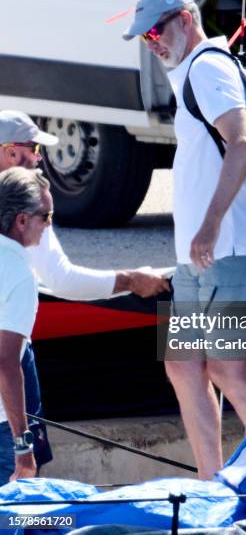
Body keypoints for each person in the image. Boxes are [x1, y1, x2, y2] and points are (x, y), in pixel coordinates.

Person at [123, 0, 246, 479]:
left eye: (156, 31)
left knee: (229, 370)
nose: (153, 43)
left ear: (186, 20)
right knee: (184, 364)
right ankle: (211, 481)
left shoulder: (209, 68)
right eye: (145, 37)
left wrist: (210, 227)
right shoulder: (192, 71)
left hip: (229, 250)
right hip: (200, 258)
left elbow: (242, 143)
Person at [0, 110, 170, 477]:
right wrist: (131, 280)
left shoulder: (23, 210)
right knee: (21, 498)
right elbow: (62, 280)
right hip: (9, 371)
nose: (39, 159)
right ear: (12, 154)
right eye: (33, 150)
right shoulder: (26, 212)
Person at [0, 167, 53, 484]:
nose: (49, 225)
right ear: (22, 220)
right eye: (46, 216)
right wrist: (23, 446)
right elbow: (6, 362)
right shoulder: (19, 272)